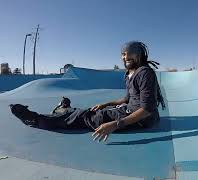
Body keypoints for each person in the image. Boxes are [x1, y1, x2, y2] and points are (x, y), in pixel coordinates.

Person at [10, 41, 165, 142]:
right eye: (122, 55)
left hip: (139, 119)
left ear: (138, 54)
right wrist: (105, 103)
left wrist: (115, 124)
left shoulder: (145, 73)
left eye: (128, 53)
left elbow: (147, 109)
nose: (124, 58)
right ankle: (67, 109)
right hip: (129, 111)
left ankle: (36, 120)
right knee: (92, 111)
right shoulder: (130, 73)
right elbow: (127, 98)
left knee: (85, 118)